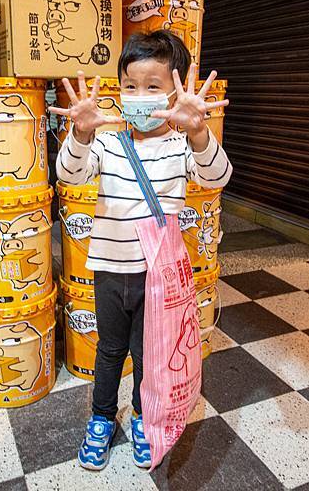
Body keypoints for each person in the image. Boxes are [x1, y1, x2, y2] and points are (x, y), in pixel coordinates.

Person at [49, 30, 232, 471]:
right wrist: (79, 133)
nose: (140, 97)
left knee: (148, 352)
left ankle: (143, 417)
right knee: (110, 350)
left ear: (176, 91)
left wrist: (200, 132)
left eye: (154, 87)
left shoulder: (180, 146)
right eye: (131, 87)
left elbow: (218, 177)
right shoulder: (109, 141)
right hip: (110, 269)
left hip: (158, 274)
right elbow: (69, 176)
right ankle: (101, 418)